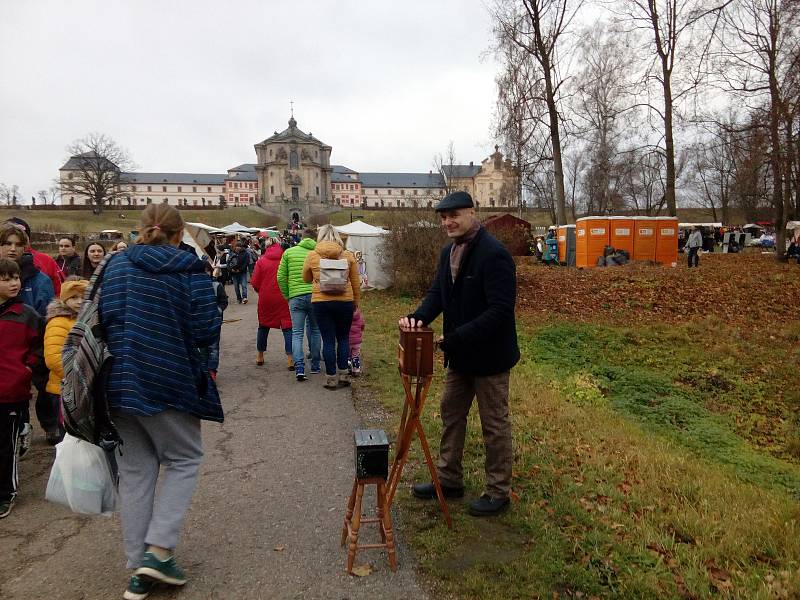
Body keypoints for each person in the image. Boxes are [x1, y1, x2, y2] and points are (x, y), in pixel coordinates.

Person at [98, 204, 223, 600]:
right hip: (169, 377)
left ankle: (138, 567)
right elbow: (206, 330)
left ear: (140, 230)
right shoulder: (189, 271)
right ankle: (158, 550)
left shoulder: (114, 267)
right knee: (185, 458)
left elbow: (102, 316)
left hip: (118, 382)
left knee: (135, 471)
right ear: (179, 233)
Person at [398, 191, 519, 517]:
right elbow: (438, 294)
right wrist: (417, 317)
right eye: (443, 217)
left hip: (490, 358)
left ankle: (498, 492)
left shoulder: (494, 254)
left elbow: (500, 311)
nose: (448, 222)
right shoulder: (447, 252)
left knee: (494, 424)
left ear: (472, 213)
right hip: (460, 356)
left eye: (455, 215)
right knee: (451, 415)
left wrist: (454, 337)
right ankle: (449, 481)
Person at [0, 257, 45, 519]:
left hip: (11, 392)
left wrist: (26, 368)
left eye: (15, 278)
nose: (14, 283)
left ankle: (6, 492)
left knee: (5, 444)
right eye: (6, 279)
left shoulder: (28, 315)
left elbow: (41, 347)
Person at [302, 224, 360, 390]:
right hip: (345, 301)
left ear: (320, 237)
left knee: (327, 340)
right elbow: (356, 282)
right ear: (337, 237)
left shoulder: (312, 255)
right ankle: (343, 375)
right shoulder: (347, 255)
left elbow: (305, 278)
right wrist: (356, 301)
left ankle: (331, 378)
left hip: (321, 302)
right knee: (343, 338)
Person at [43, 277, 88, 445]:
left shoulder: (88, 319)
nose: (79, 301)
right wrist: (80, 375)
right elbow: (54, 358)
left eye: (83, 297)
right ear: (64, 299)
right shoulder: (58, 323)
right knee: (69, 440)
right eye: (74, 297)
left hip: (86, 388)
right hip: (65, 389)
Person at [277, 228, 322, 382]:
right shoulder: (318, 253)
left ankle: (300, 368)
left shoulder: (289, 252)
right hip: (316, 295)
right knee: (316, 330)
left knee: (297, 333)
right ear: (315, 239)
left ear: (302, 238)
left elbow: (280, 277)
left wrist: (287, 295)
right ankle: (315, 365)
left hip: (295, 296)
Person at [251, 239, 293, 369]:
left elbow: (255, 282)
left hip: (266, 297)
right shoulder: (285, 260)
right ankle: (291, 358)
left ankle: (260, 355)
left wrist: (261, 291)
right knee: (287, 326)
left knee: (263, 325)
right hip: (283, 297)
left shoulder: (261, 261)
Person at [5, 217, 61, 295]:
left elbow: (59, 292)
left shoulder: (45, 261)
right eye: (7, 243)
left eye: (19, 244)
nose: (13, 249)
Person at [199, 261, 227, 382]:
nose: (205, 273)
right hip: (200, 322)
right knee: (203, 348)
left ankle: (212, 370)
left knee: (214, 347)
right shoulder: (195, 286)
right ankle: (204, 370)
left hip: (214, 321)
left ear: (211, 271)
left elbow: (223, 301)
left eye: (207, 271)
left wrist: (218, 310)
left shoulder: (217, 286)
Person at [348, 306, 365, 375]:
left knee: (347, 355)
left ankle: (347, 367)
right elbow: (363, 326)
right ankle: (356, 370)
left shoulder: (346, 317)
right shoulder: (360, 317)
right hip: (357, 342)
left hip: (348, 341)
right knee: (355, 356)